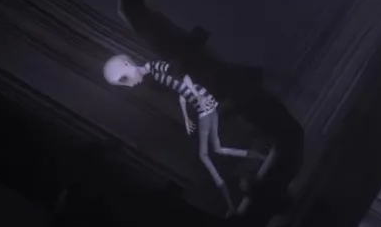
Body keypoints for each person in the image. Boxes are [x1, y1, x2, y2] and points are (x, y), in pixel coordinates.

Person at [104, 55, 265, 216]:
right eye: (121, 83)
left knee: (211, 153)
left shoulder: (154, 69)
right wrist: (187, 116)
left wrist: (198, 97)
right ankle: (245, 180)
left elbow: (182, 75)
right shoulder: (153, 79)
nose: (127, 85)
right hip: (201, 109)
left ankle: (252, 170)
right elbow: (180, 88)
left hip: (206, 105)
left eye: (124, 78)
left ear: (127, 64)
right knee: (212, 152)